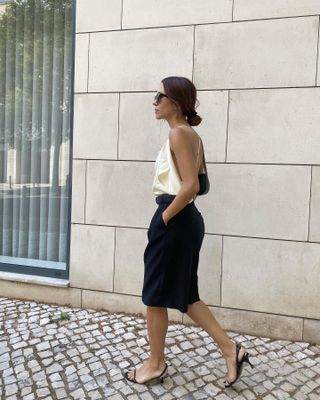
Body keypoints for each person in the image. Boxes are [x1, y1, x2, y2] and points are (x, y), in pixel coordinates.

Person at [124, 76, 253, 387]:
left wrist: (164, 217)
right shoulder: (189, 134)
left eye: (160, 96)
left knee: (154, 296)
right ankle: (230, 349)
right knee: (188, 295)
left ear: (176, 102)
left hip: (176, 218)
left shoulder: (179, 134)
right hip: (185, 221)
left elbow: (192, 186)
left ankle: (155, 364)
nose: (155, 102)